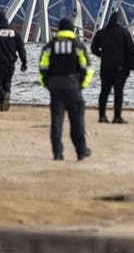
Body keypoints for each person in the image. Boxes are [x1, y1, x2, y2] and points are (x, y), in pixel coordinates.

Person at [38, 18, 93, 161]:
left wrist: (47, 84)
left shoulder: (50, 47)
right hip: (73, 88)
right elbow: (87, 68)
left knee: (56, 122)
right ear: (72, 30)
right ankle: (81, 151)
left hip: (55, 89)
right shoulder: (78, 46)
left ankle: (57, 153)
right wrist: (82, 85)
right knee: (77, 122)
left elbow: (43, 68)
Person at [90, 11, 134, 124]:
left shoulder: (102, 33)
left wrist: (102, 55)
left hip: (105, 67)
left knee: (104, 92)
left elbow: (93, 48)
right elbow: (131, 50)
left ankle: (102, 116)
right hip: (120, 68)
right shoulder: (124, 33)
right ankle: (117, 117)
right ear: (119, 20)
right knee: (118, 93)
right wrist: (133, 65)